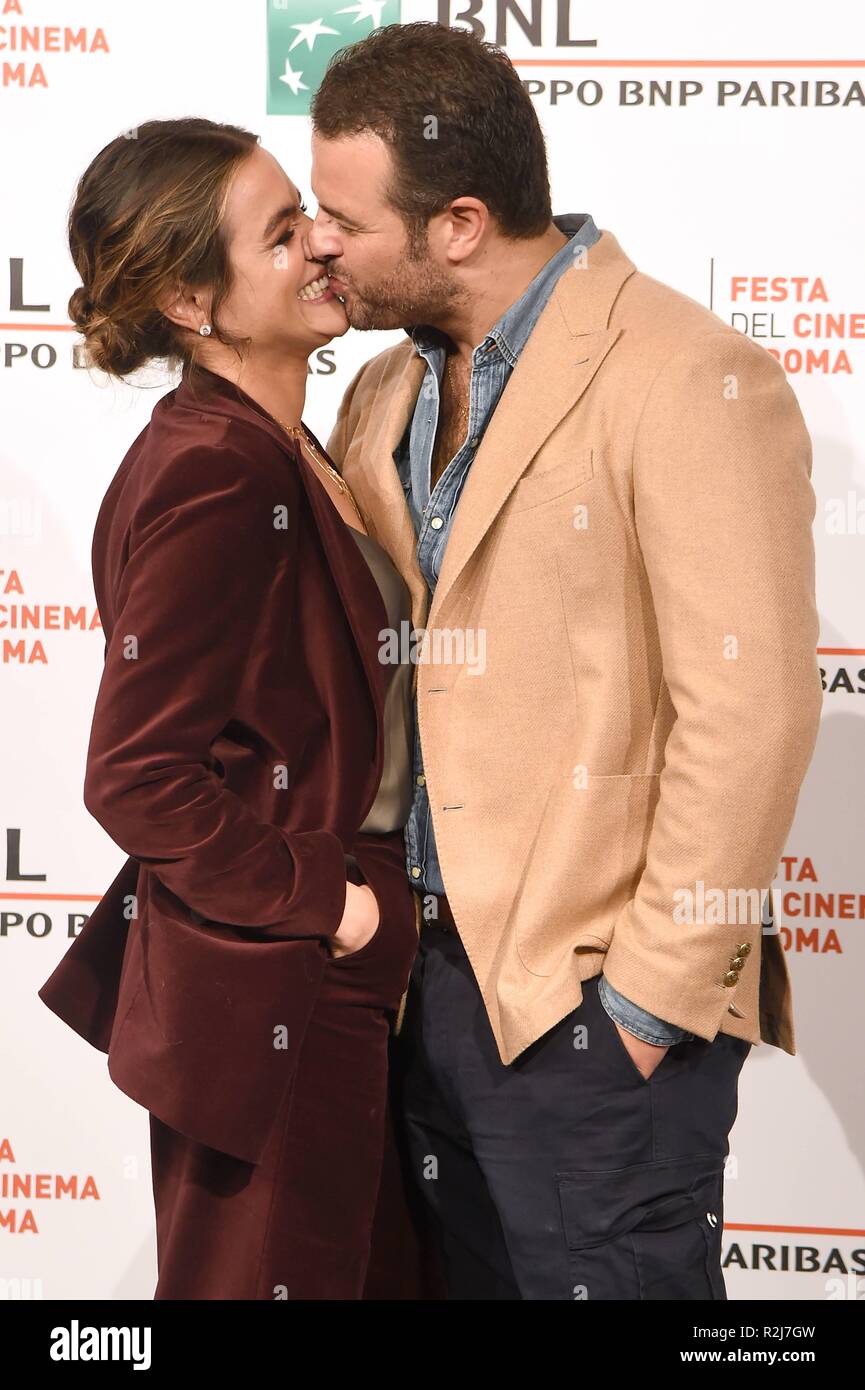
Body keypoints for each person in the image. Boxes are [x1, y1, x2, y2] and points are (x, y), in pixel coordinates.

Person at [306, 23, 823, 1299]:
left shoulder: (688, 375)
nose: (319, 244)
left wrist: (642, 1007)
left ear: (461, 224)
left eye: (342, 220)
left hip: (588, 1018)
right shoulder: (379, 389)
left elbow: (749, 712)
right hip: (412, 999)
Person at [38, 117, 427, 1300]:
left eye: (307, 212)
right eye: (279, 234)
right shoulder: (216, 466)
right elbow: (136, 775)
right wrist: (331, 908)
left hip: (330, 973)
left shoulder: (290, 442)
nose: (320, 244)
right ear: (189, 302)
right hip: (278, 980)